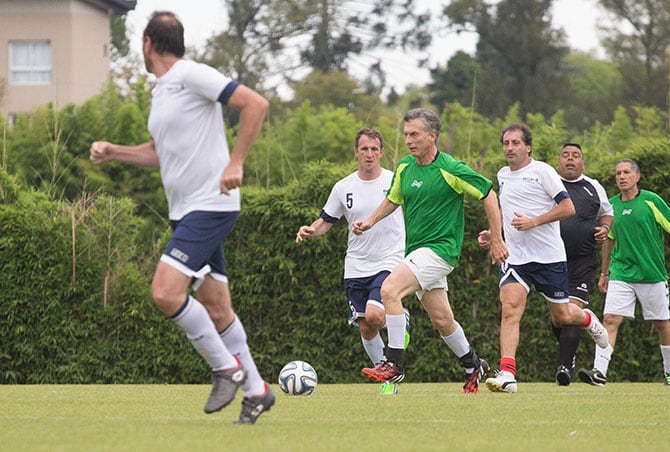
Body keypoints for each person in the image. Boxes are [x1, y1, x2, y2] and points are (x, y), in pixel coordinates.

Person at [89, 11, 274, 424]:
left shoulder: (190, 74)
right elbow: (159, 152)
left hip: (210, 204)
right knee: (217, 307)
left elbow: (255, 104)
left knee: (165, 293)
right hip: (185, 211)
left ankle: (226, 368)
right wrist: (114, 151)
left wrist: (236, 162)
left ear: (147, 44)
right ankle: (258, 390)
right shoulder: (164, 92)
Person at [352, 108, 509, 394]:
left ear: (432, 136)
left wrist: (497, 239)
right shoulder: (404, 168)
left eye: (414, 134)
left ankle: (394, 364)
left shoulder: (450, 168)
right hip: (417, 251)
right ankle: (474, 364)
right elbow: (393, 199)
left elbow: (488, 193)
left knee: (389, 291)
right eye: (406, 134)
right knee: (442, 320)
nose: (409, 140)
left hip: (440, 250)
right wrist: (370, 221)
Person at [479, 124, 609, 393]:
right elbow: (507, 210)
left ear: (528, 147)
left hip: (549, 258)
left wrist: (534, 222)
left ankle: (586, 319)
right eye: (506, 143)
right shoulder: (502, 175)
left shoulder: (543, 172)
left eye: (516, 143)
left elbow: (567, 207)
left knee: (562, 316)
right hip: (517, 259)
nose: (510, 148)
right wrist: (493, 233)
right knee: (510, 308)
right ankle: (507, 374)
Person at [295, 128, 409, 371]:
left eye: (374, 149)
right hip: (356, 264)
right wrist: (311, 230)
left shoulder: (394, 181)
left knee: (376, 316)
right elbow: (325, 220)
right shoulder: (343, 187)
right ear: (356, 152)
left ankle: (401, 319)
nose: (369, 154)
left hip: (389, 259)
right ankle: (384, 373)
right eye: (364, 149)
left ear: (382, 152)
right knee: (366, 326)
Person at [577, 158, 670, 387]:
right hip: (621, 274)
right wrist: (605, 273)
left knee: (661, 323)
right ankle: (599, 372)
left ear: (637, 177)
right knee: (610, 319)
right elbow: (609, 240)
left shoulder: (651, 201)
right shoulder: (611, 206)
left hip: (652, 274)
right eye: (618, 173)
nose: (621, 176)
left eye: (626, 172)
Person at [552, 143, 613, 386]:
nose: (570, 159)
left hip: (583, 261)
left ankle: (564, 367)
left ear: (582, 163)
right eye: (565, 155)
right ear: (558, 162)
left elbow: (607, 214)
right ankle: (586, 320)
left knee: (568, 312)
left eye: (575, 156)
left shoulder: (593, 186)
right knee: (558, 317)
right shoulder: (550, 184)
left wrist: (605, 228)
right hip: (552, 260)